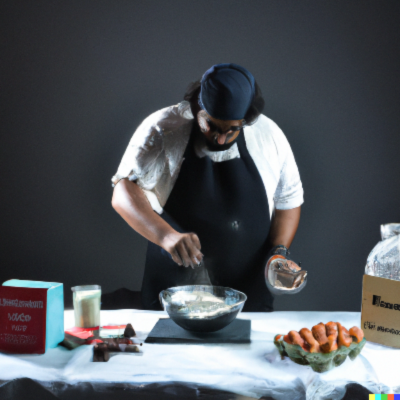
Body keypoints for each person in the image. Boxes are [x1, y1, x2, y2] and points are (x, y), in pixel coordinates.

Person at [111, 63, 304, 311]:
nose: (220, 138)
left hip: (248, 292)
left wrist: (278, 254)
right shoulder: (163, 128)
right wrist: (166, 236)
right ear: (197, 107)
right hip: (176, 291)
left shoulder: (270, 135)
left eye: (232, 129)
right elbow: (123, 191)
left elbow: (289, 201)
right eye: (210, 125)